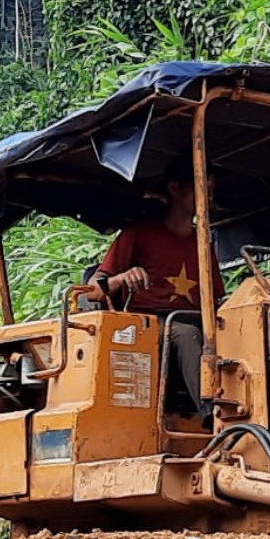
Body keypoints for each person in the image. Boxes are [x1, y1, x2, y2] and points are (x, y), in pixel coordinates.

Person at [86, 176, 217, 415]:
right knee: (187, 335)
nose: (209, 197)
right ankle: (213, 414)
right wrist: (121, 278)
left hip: (197, 318)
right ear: (175, 187)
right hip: (148, 323)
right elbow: (93, 290)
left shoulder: (203, 241)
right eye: (202, 188)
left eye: (211, 191)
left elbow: (216, 296)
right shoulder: (139, 233)